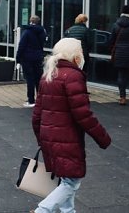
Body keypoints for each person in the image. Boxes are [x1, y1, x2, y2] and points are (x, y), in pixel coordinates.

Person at [31, 37, 111, 213]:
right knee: (71, 182)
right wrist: (102, 137)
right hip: (66, 138)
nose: (82, 55)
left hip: (49, 136)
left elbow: (37, 113)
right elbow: (83, 114)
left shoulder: (49, 74)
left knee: (65, 178)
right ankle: (42, 210)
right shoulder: (73, 76)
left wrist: (40, 137)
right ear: (74, 55)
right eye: (81, 51)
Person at [17, 15, 46, 108]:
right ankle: (40, 99)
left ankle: (31, 100)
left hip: (27, 58)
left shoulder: (27, 32)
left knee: (30, 79)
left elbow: (21, 46)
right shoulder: (42, 31)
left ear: (30, 21)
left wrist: (18, 58)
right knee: (38, 79)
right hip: (38, 57)